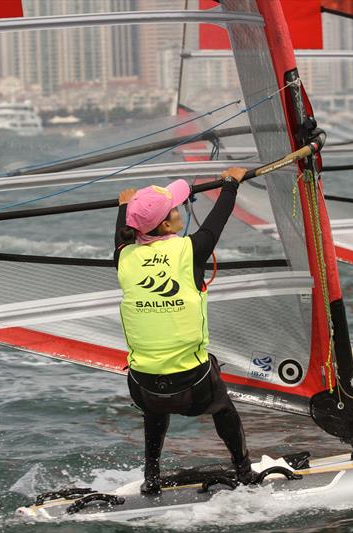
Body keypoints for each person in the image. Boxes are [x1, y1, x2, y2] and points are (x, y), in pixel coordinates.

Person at [114, 168, 257, 496]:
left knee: (155, 398)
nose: (180, 210)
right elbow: (217, 221)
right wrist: (231, 184)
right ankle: (244, 471)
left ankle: (152, 474)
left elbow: (122, 235)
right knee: (223, 406)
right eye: (175, 209)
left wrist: (124, 207)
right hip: (193, 388)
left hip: (142, 386)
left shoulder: (124, 257)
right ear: (165, 225)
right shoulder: (189, 250)